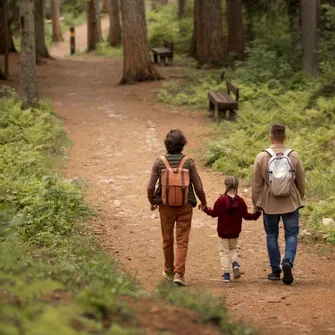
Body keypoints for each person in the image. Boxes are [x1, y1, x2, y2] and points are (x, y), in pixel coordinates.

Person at [147, 129, 207, 286]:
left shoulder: (159, 162)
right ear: (182, 146)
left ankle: (168, 270)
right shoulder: (188, 162)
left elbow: (150, 186)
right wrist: (203, 201)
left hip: (165, 206)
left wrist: (152, 200)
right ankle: (179, 274)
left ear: (166, 145)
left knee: (167, 239)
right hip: (185, 205)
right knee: (182, 240)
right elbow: (198, 186)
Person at [252, 123, 305, 285]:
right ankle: (287, 260)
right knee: (291, 234)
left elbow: (256, 185)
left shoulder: (261, 157)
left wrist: (256, 205)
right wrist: (298, 198)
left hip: (269, 203)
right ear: (285, 137)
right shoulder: (294, 156)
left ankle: (275, 270)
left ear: (271, 137)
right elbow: (301, 182)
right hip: (290, 202)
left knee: (271, 235)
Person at [201, 176, 260, 283]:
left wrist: (205, 209)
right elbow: (246, 215)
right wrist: (256, 215)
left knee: (224, 252)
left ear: (226, 186)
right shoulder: (241, 201)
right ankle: (235, 263)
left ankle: (226, 274)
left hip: (223, 231)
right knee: (233, 248)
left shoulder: (221, 200)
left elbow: (214, 214)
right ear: (237, 186)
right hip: (235, 232)